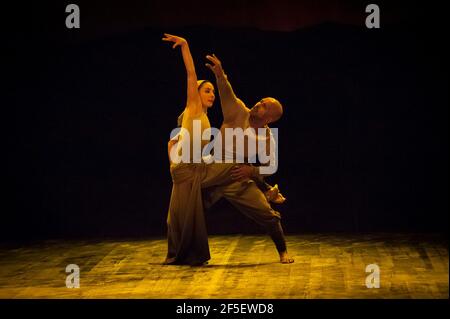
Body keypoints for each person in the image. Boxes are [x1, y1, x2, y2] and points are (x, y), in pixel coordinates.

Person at [204, 53, 294, 263]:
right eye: (260, 101)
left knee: (268, 215)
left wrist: (251, 171)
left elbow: (270, 166)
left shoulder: (267, 138)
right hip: (213, 169)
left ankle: (283, 251)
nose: (257, 104)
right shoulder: (238, 111)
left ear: (268, 118)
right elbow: (228, 94)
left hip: (237, 176)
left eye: (263, 106)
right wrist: (220, 74)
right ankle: (187, 252)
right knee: (192, 207)